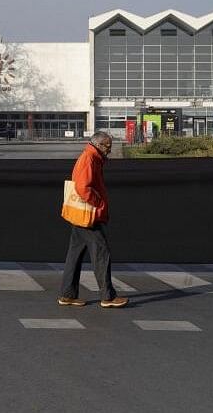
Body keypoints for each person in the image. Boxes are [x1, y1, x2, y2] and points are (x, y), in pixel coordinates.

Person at [58, 131, 128, 308]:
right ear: (99, 144)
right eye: (108, 146)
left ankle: (67, 295)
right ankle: (108, 297)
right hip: (89, 216)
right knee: (102, 254)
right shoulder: (89, 158)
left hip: (81, 215)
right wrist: (98, 202)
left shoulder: (92, 157)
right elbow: (83, 187)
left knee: (74, 255)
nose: (110, 150)